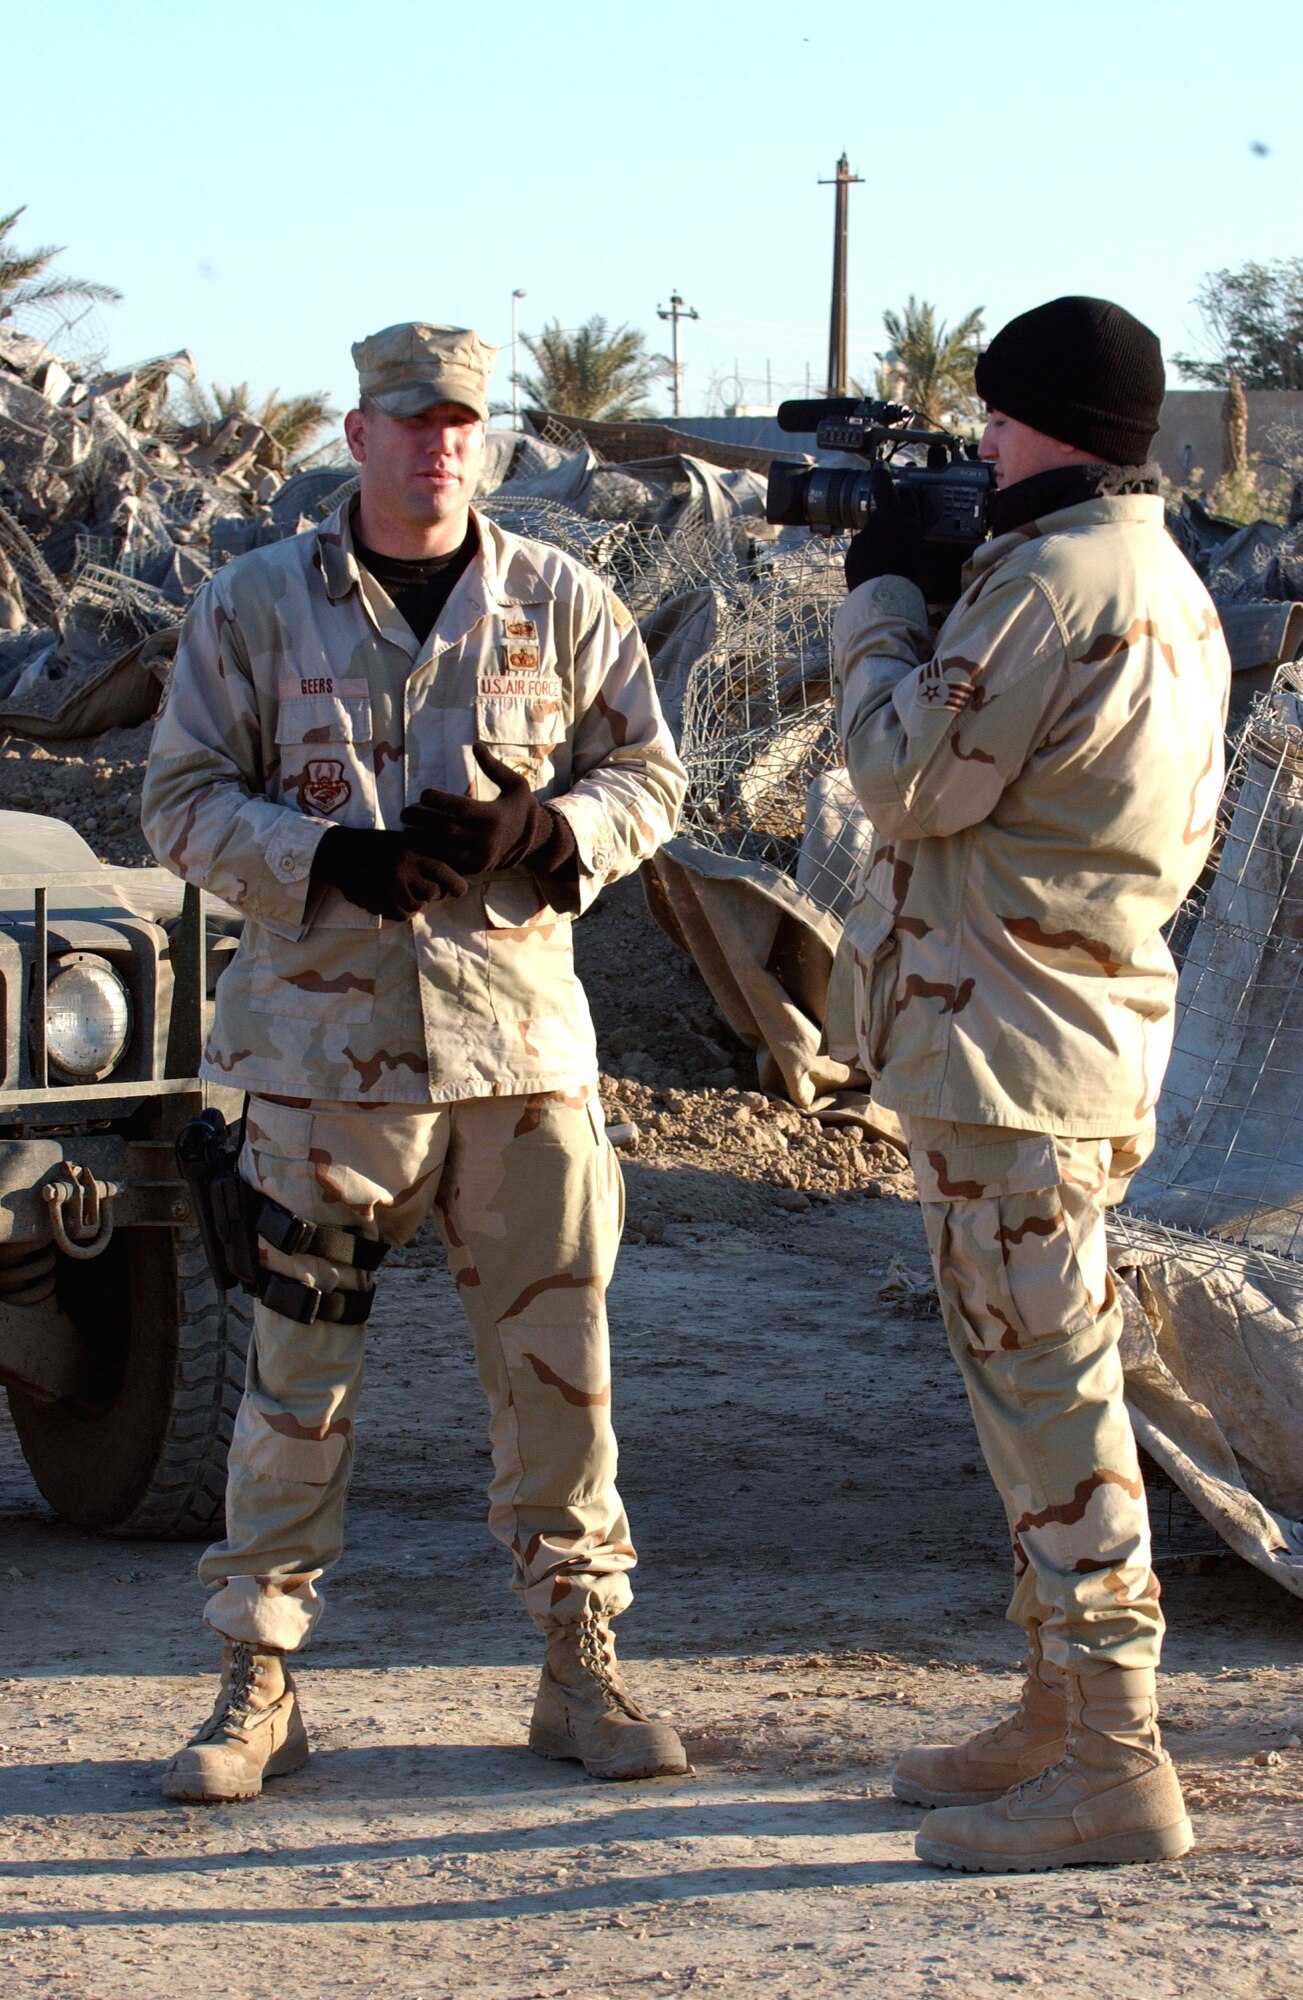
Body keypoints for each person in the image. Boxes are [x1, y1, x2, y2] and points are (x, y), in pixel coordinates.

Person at [143, 321, 688, 1802]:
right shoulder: (258, 605)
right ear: (356, 433)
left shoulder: (561, 600)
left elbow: (655, 773)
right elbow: (179, 804)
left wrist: (554, 833)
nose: (438, 444)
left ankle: (580, 1664)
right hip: (325, 1067)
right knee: (294, 1378)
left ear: (485, 437)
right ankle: (257, 1683)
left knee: (560, 1374)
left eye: (461, 420)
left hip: (519, 1057)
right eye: (410, 420)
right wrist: (323, 858)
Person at [831, 296, 1230, 1872]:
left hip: (1012, 1053)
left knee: (1055, 1398)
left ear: (1045, 422)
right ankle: (1057, 1712)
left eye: (996, 422)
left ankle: (1121, 1763)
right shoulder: (1156, 573)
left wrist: (881, 603)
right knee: (1028, 1380)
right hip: (1069, 1032)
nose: (980, 447)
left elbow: (903, 773)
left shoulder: (1050, 583)